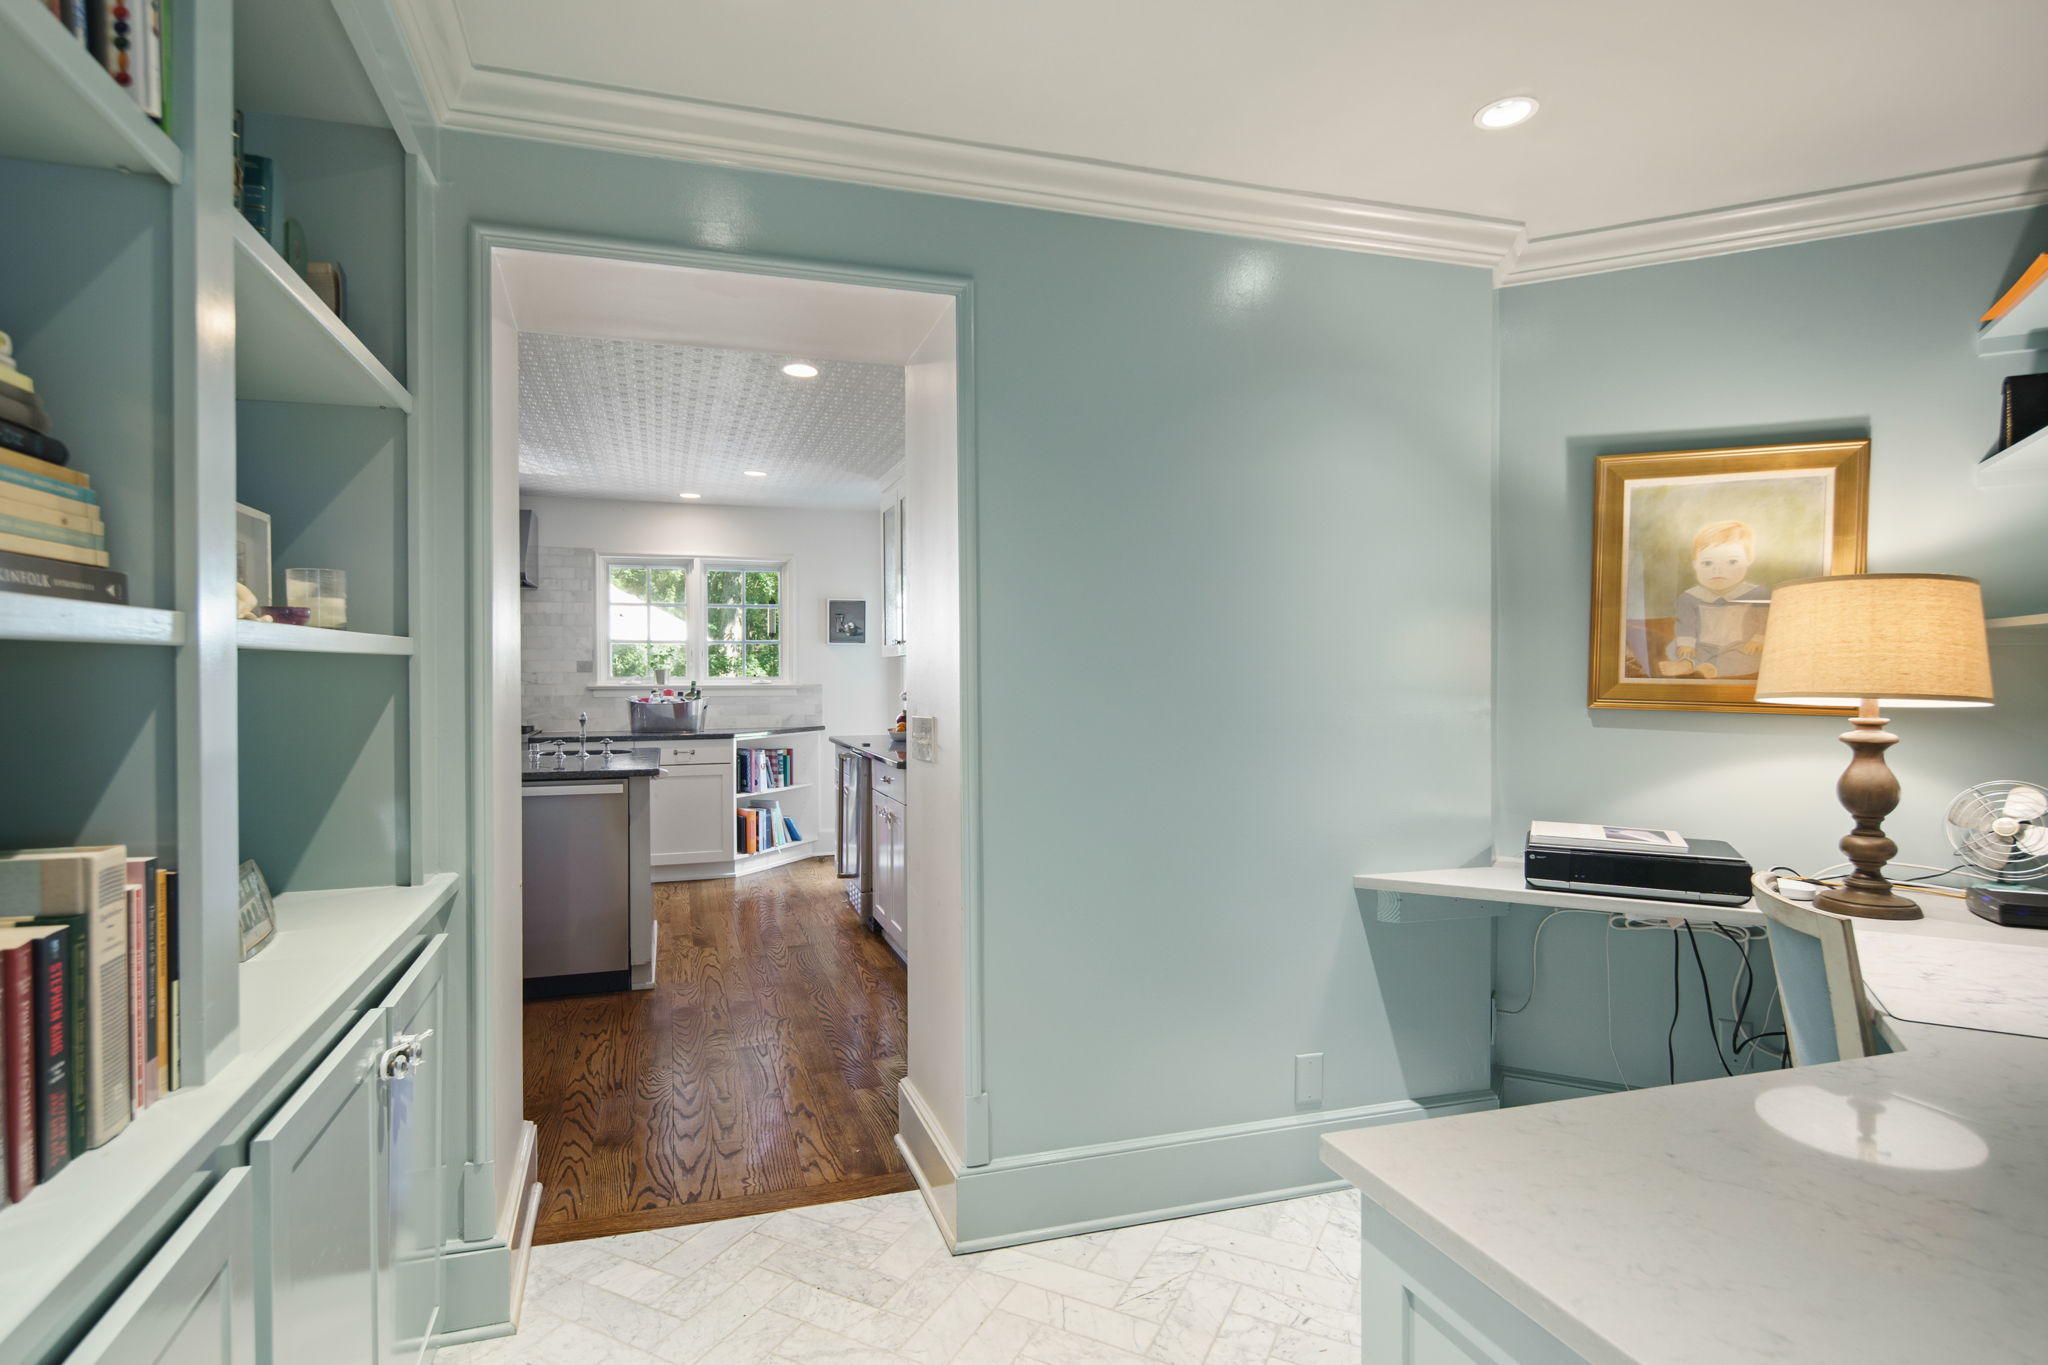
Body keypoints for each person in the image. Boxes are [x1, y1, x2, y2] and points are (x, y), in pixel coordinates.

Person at [1660, 520, 1768, 679]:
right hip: (1702, 645)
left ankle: (1707, 668)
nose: (1718, 569)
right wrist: (1687, 643)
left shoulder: (1757, 594)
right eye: (1707, 563)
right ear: (1695, 564)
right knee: (1675, 647)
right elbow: (1686, 622)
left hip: (1740, 647)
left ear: (1749, 559)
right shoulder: (1689, 597)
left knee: (1755, 657)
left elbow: (1765, 620)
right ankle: (1687, 663)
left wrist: (1759, 638)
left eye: (1732, 561)